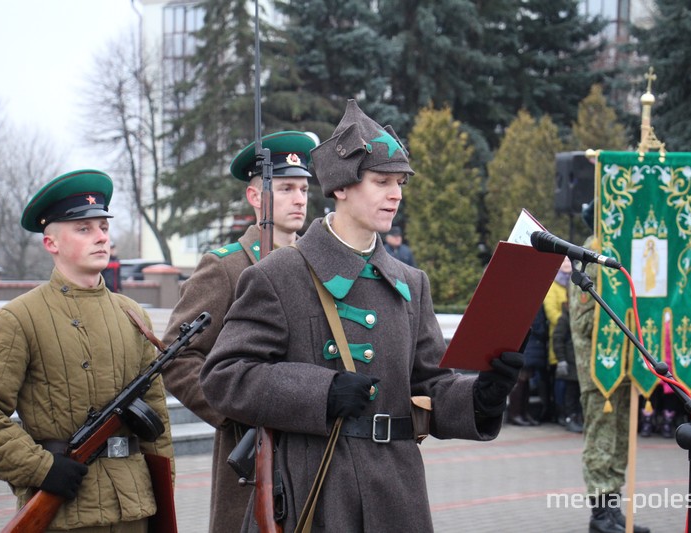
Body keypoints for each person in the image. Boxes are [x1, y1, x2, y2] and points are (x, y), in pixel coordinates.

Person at [200, 100, 523, 532]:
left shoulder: (411, 281)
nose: (396, 194)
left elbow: (430, 383)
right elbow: (224, 376)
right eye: (382, 181)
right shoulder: (280, 275)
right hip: (319, 488)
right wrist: (321, 392)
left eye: (400, 182)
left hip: (398, 490)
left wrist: (479, 396)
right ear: (341, 187)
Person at [0, 170, 174, 531]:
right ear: (51, 243)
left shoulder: (134, 316)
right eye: (84, 229)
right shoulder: (18, 318)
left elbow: (157, 425)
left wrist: (165, 502)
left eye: (103, 227)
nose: (101, 237)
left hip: (135, 508)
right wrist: (40, 468)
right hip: (66, 512)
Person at [161, 131, 315, 532]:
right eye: (285, 188)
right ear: (255, 197)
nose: (299, 198)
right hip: (253, 455)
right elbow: (178, 356)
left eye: (303, 188)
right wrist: (233, 412)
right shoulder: (226, 266)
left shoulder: (318, 265)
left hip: (315, 450)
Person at [570, 204, 650, 533]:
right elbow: (584, 321)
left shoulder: (622, 255)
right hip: (599, 369)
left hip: (625, 365)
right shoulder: (592, 256)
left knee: (619, 441)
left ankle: (614, 510)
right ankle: (600, 515)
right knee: (601, 441)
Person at [544, 256, 573, 424]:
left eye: (569, 261)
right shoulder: (553, 285)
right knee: (561, 378)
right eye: (563, 262)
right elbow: (551, 312)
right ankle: (560, 412)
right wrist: (568, 322)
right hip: (560, 337)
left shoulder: (576, 282)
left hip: (574, 339)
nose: (567, 264)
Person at [554, 300, 583, 433]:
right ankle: (569, 418)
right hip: (570, 363)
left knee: (579, 393)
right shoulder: (565, 318)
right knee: (570, 393)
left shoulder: (581, 317)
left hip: (581, 362)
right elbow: (558, 339)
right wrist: (561, 360)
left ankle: (578, 417)